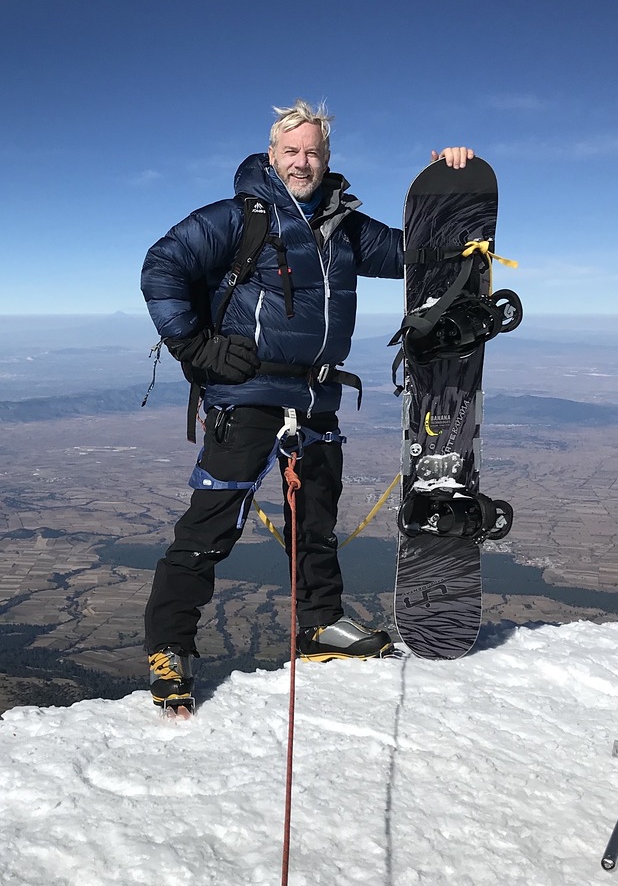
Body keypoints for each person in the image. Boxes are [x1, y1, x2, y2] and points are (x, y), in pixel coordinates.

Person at [141, 98, 474, 709]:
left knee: (314, 521)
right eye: (290, 151)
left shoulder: (343, 226)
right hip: (247, 394)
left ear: (326, 158)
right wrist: (196, 346)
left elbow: (414, 253)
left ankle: (319, 627)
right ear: (272, 156)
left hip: (316, 397)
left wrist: (449, 187)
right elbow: (163, 263)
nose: (301, 161)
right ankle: (170, 648)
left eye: (312, 151)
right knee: (212, 525)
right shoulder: (238, 219)